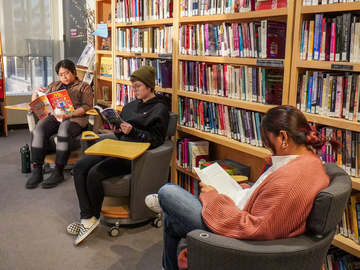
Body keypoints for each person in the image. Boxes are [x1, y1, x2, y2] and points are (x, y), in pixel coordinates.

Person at [145, 105, 342, 270]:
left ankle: (162, 205)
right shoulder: (307, 160)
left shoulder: (292, 180)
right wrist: (246, 190)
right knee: (171, 221)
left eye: (267, 140)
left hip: (242, 241)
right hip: (242, 210)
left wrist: (215, 198)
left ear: (283, 137)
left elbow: (256, 228)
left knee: (168, 192)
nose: (266, 146)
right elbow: (269, 199)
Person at [68, 65, 170, 246]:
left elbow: (157, 139)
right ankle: (87, 218)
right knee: (80, 166)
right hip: (119, 147)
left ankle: (93, 216)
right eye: (133, 86)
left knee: (94, 173)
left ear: (148, 86)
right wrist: (117, 130)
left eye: (137, 86)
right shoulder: (131, 106)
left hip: (135, 155)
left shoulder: (160, 108)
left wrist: (134, 132)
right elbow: (123, 131)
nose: (134, 90)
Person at [27, 59, 93, 189]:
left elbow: (87, 106)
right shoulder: (54, 85)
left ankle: (58, 171)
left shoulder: (84, 86)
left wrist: (69, 114)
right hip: (55, 116)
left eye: (67, 73)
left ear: (74, 72)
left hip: (74, 118)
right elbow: (37, 103)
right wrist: (35, 92)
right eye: (61, 74)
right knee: (38, 130)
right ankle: (37, 170)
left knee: (64, 131)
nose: (64, 77)